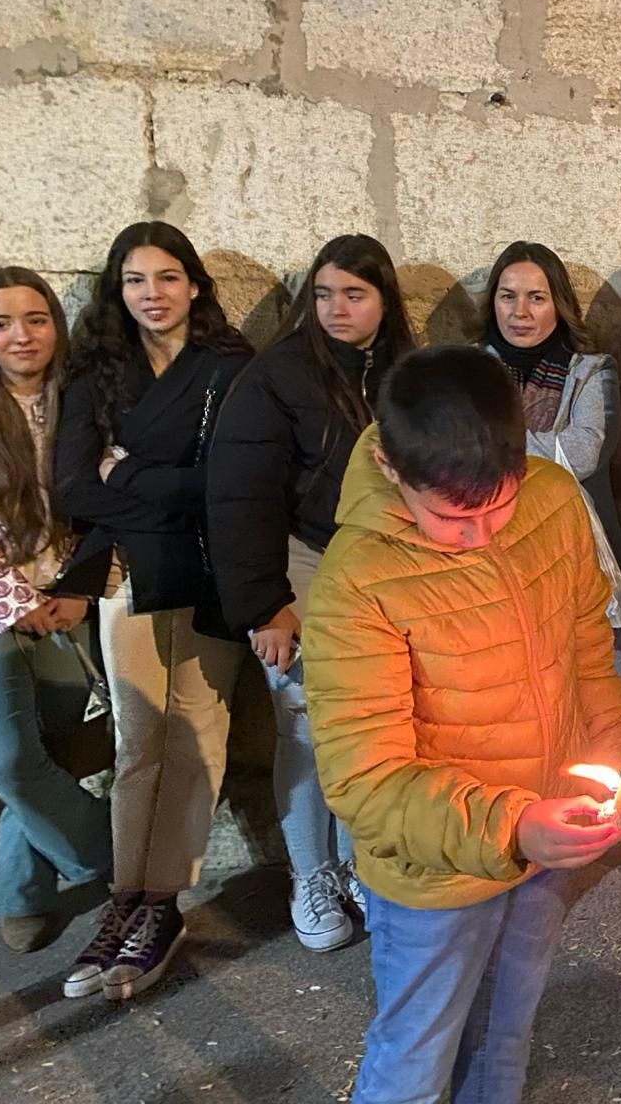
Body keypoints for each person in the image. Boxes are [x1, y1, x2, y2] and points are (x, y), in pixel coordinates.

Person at [304, 345, 621, 1103]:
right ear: (393, 469)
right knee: (414, 1059)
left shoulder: (551, 499)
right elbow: (365, 779)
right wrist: (512, 827)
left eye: (499, 507)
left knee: (502, 1037)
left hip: (548, 836)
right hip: (437, 871)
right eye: (454, 519)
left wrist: (611, 748)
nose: (483, 536)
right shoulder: (357, 582)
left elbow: (587, 644)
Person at [52, 221, 252, 999]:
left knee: (197, 736)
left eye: (168, 278)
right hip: (128, 576)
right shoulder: (96, 373)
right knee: (140, 742)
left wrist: (128, 474)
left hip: (210, 573)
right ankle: (124, 899)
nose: (153, 295)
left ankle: (162, 905)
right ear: (119, 290)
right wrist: (166, 484)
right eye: (137, 281)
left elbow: (229, 482)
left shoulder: (230, 369)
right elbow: (73, 488)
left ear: (195, 284)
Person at [203, 234, 417, 951]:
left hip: (377, 564)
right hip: (300, 559)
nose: (335, 309)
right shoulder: (279, 374)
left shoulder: (404, 373)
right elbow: (241, 495)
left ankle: (362, 865)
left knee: (376, 719)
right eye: (322, 294)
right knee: (302, 722)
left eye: (353, 294)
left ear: (384, 301)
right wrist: (266, 605)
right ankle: (312, 874)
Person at [0, 266, 111, 954]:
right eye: (2, 323)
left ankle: (19, 895)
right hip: (3, 615)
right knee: (9, 762)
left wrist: (77, 589)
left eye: (35, 319)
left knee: (55, 752)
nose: (20, 335)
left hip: (69, 602)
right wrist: (16, 600)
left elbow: (109, 500)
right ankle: (114, 859)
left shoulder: (82, 400)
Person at [475, 240, 621, 681]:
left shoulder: (592, 370)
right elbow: (456, 453)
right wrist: (542, 445)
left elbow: (582, 454)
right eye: (508, 296)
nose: (520, 312)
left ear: (559, 304)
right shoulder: (466, 371)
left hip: (571, 552)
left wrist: (491, 446)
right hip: (485, 555)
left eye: (536, 297)